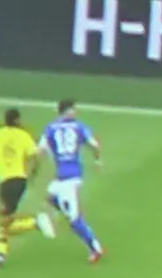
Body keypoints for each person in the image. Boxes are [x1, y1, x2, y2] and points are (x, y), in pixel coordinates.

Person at [37, 98, 110, 262]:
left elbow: (40, 150)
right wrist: (98, 160)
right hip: (70, 176)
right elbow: (94, 145)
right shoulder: (79, 126)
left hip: (67, 179)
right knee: (50, 196)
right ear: (68, 110)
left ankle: (95, 248)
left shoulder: (50, 128)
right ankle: (68, 211)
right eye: (74, 109)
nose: (76, 112)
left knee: (75, 221)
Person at [0, 103, 40, 266]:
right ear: (18, 120)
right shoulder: (24, 135)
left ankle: (34, 224)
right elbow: (35, 157)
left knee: (4, 220)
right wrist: (31, 175)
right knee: (4, 219)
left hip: (6, 181)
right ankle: (0, 254)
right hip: (19, 180)